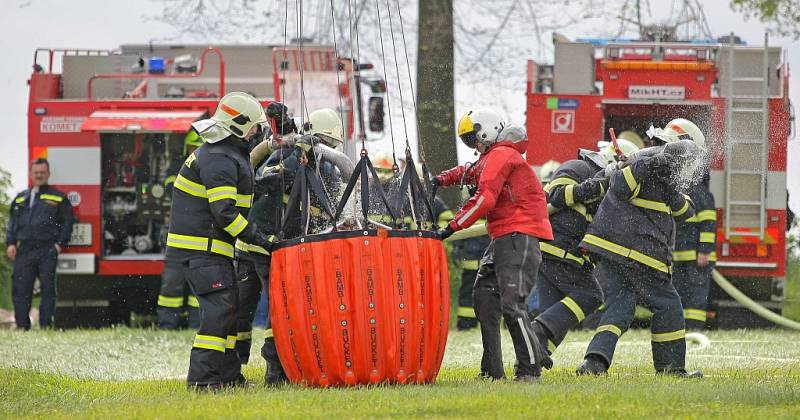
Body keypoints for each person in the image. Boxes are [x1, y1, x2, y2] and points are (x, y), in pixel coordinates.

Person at [433, 109, 553, 382]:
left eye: (472, 138)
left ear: (486, 131)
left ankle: (529, 369)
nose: (472, 145)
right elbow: (468, 171)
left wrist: (451, 227)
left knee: (512, 305)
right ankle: (492, 371)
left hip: (517, 236)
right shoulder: (493, 157)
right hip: (504, 237)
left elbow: (484, 198)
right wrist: (441, 179)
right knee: (485, 298)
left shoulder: (501, 155)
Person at [165, 92, 274, 391]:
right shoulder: (219, 158)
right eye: (253, 127)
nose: (257, 133)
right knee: (218, 313)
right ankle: (202, 381)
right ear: (238, 126)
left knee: (227, 312)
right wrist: (261, 240)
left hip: (212, 251)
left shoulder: (223, 153)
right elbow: (225, 212)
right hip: (203, 251)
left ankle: (228, 378)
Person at [576, 136, 704, 378]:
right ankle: (671, 370)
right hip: (636, 255)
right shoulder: (638, 168)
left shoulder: (666, 182)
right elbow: (620, 186)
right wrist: (647, 165)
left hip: (612, 252)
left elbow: (686, 210)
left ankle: (594, 363)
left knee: (621, 306)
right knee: (669, 306)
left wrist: (665, 180)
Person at [531, 139, 639, 360]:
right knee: (590, 295)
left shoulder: (608, 194)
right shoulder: (579, 167)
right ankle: (533, 334)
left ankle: (530, 360)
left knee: (554, 319)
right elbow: (554, 195)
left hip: (563, 253)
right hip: (557, 247)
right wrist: (597, 185)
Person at [653, 119, 715, 331]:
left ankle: (694, 328)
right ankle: (680, 327)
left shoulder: (701, 194)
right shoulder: (681, 190)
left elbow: (708, 225)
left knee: (696, 294)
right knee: (679, 291)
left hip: (697, 257)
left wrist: (704, 251)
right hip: (680, 255)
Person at [6, 158, 74, 330]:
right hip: (25, 249)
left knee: (47, 289)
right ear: (31, 174)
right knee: (21, 289)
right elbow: (12, 223)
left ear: (48, 174)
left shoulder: (58, 198)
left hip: (47, 249)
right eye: (36, 172)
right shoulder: (21, 199)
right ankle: (22, 326)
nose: (39, 175)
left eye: (42, 173)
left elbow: (67, 223)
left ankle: (45, 325)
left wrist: (59, 245)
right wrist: (11, 243)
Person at [157, 130, 204, 330]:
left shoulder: (209, 167)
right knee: (171, 285)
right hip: (178, 237)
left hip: (200, 236)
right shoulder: (178, 166)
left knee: (199, 285)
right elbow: (171, 188)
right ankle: (167, 325)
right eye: (194, 147)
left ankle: (196, 324)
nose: (196, 151)